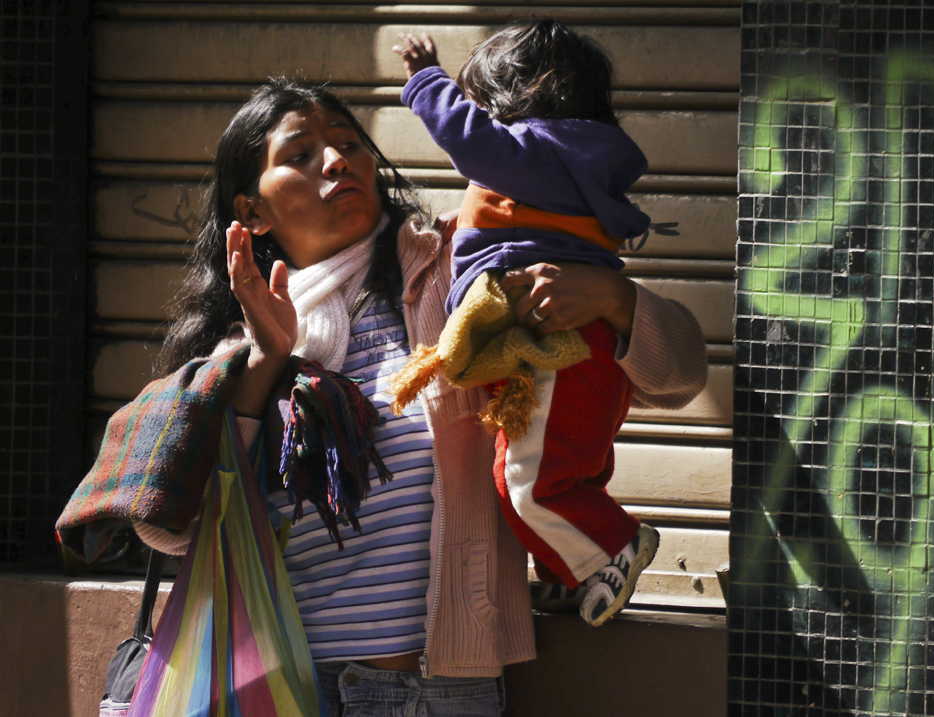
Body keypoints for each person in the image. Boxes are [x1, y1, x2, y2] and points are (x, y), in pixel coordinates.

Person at [65, 78, 707, 716]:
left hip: (435, 692)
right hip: (281, 692)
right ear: (252, 212)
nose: (336, 160)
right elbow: (171, 531)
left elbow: (679, 376)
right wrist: (264, 363)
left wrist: (613, 299)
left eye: (348, 143)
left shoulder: (462, 284)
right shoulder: (241, 342)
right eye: (299, 155)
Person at [390, 20, 668, 627]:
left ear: (512, 100)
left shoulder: (536, 154)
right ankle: (575, 573)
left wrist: (426, 82)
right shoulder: (580, 164)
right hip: (585, 354)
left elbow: (473, 141)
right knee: (567, 470)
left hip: (557, 346)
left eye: (483, 102)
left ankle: (614, 545)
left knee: (526, 482)